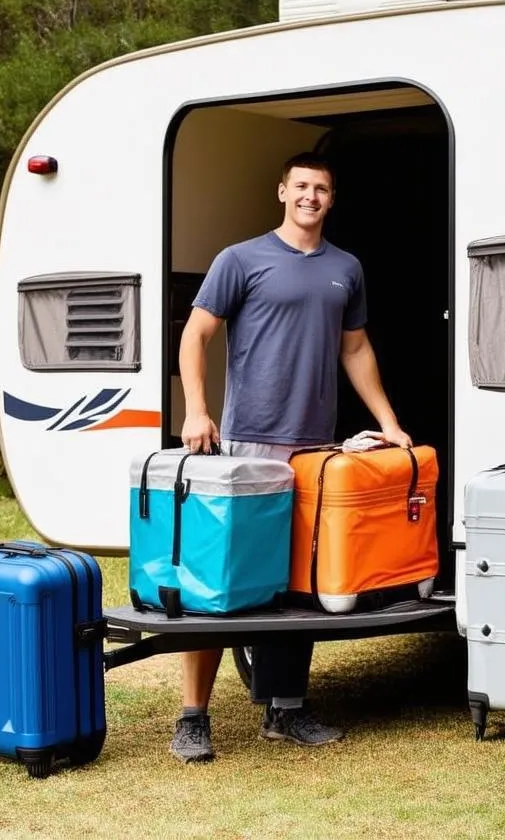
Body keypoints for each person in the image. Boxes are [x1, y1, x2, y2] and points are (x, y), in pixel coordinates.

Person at [170, 153, 412, 764]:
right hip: (248, 442)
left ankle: (286, 709)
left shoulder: (345, 269)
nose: (310, 196)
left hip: (315, 449)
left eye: (322, 189)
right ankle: (192, 718)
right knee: (220, 582)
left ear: (332, 200)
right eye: (301, 186)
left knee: (300, 582)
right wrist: (198, 410)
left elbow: (355, 349)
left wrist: (388, 423)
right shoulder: (240, 259)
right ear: (282, 191)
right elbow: (195, 334)